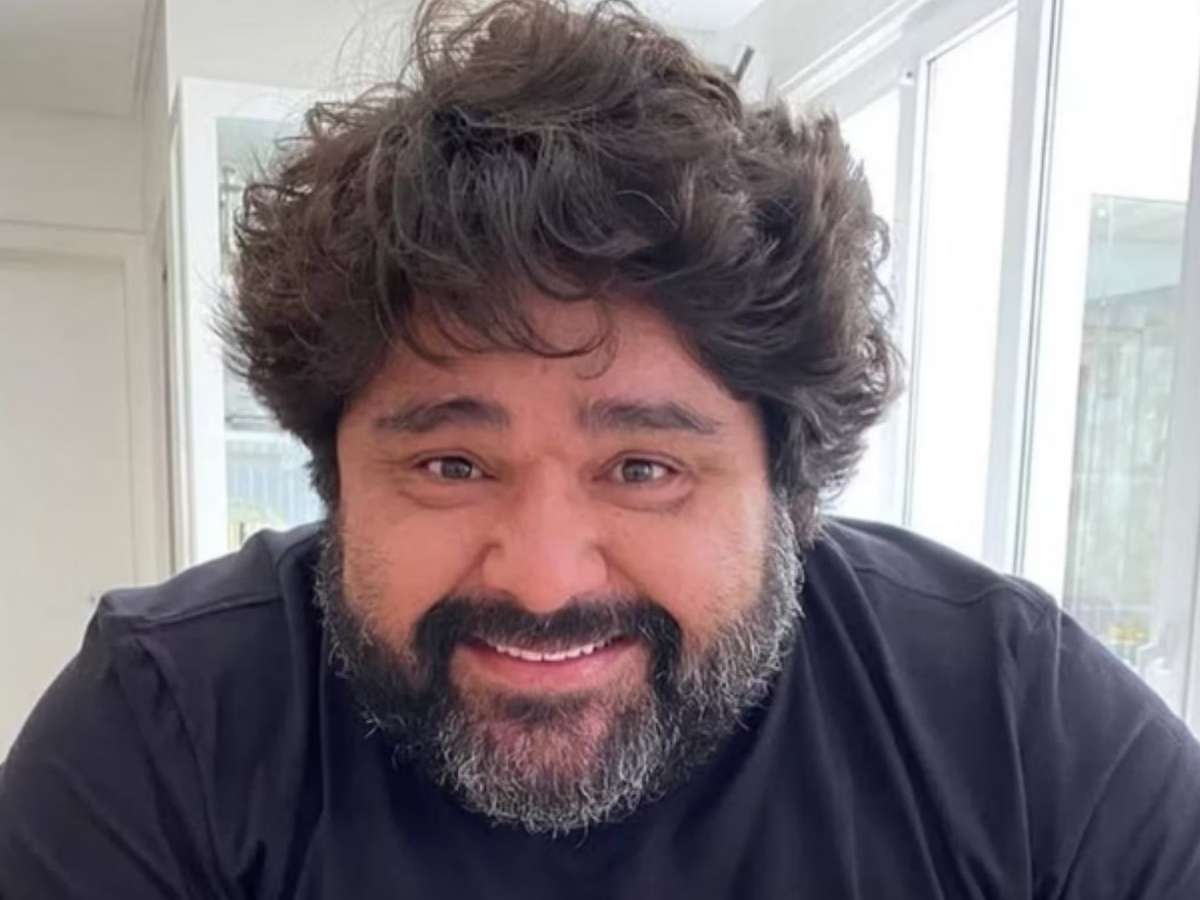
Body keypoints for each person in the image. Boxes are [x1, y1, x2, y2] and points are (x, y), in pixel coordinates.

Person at [2, 0, 1199, 896]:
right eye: (452, 465)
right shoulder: (167, 729)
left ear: (788, 490)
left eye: (643, 469)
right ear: (338, 482)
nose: (542, 578)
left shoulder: (1008, 720)